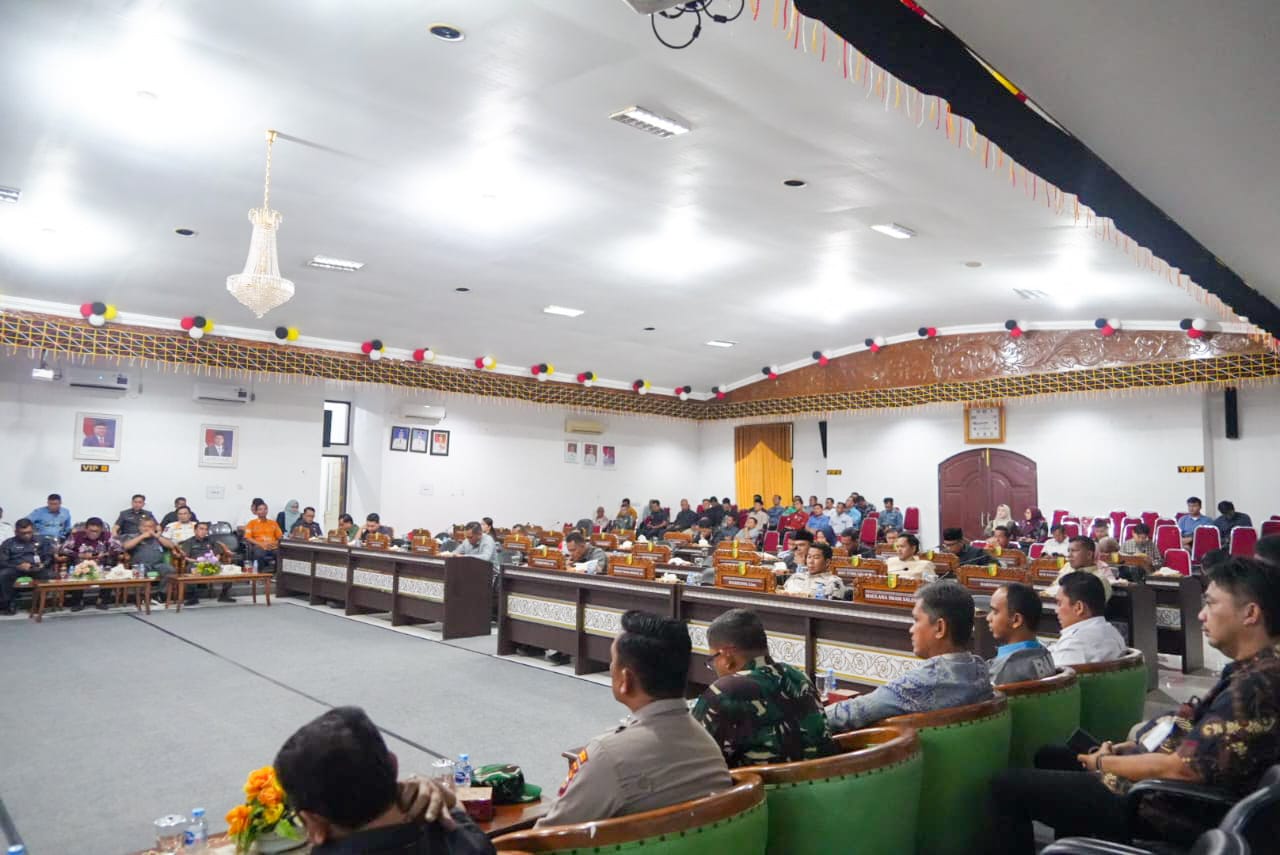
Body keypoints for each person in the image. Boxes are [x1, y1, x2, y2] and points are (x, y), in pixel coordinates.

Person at [986, 557, 1280, 853]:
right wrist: (1130, 747)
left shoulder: (1256, 687)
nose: (1201, 615)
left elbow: (1183, 770)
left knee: (1005, 785)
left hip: (1160, 803)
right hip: (1159, 779)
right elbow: (1193, 728)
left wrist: (1103, 763)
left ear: (1250, 613)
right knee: (1052, 755)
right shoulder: (1248, 669)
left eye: (1211, 604)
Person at [539, 611, 731, 826]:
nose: (611, 667)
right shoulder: (707, 745)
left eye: (613, 661)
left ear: (626, 679)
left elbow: (548, 835)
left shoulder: (608, 756)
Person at [275, 706, 495, 854]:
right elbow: (463, 826)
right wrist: (449, 801)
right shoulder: (466, 843)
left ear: (313, 822)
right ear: (394, 765)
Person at [826, 582, 993, 732]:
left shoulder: (918, 684)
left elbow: (849, 714)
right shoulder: (981, 670)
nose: (911, 629)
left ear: (940, 628)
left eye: (916, 620)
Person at [693, 608, 837, 766]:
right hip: (823, 779)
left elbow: (694, 759)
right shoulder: (798, 677)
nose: (713, 667)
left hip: (761, 782)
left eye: (713, 660)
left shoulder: (725, 691)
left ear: (727, 655)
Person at [1048, 572, 1126, 667]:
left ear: (1079, 607)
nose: (1056, 610)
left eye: (1059, 603)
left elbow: (1054, 675)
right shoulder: (1113, 633)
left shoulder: (1075, 644)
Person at [986, 583, 1055, 685]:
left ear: (1016, 620)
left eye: (995, 612)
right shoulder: (1045, 653)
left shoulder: (1004, 669)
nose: (988, 618)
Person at [58, 517, 123, 610]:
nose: (94, 533)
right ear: (85, 529)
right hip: (81, 563)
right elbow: (63, 549)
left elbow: (120, 548)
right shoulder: (76, 536)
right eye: (91, 531)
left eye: (97, 531)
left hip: (101, 563)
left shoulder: (107, 536)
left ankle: (102, 600)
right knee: (76, 569)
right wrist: (79, 555)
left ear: (101, 530)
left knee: (110, 567)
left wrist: (105, 554)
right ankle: (77, 601)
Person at [123, 517, 192, 605]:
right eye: (145, 526)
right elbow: (126, 546)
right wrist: (142, 536)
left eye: (150, 527)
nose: (147, 529)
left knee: (169, 570)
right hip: (141, 565)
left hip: (158, 564)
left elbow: (171, 545)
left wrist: (157, 536)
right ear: (140, 527)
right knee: (141, 571)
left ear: (155, 528)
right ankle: (142, 596)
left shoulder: (158, 537)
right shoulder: (133, 536)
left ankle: (161, 595)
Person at [0, 519, 56, 615]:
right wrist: (18, 566)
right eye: (23, 533)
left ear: (33, 530)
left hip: (36, 568)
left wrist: (44, 564)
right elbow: (2, 561)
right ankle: (9, 605)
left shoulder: (42, 540)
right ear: (16, 532)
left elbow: (49, 556)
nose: (27, 535)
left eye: (29, 532)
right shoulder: (8, 543)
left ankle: (39, 604)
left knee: (49, 575)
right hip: (15, 569)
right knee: (3, 575)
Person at [181, 520, 236, 603]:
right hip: (196, 563)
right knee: (191, 569)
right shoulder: (189, 542)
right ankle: (192, 597)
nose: (203, 531)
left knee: (227, 570)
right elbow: (185, 557)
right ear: (195, 530)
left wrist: (215, 560)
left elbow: (218, 553)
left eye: (205, 529)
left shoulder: (211, 540)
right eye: (201, 529)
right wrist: (197, 561)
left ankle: (224, 595)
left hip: (211, 563)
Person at [1050, 536, 1114, 601]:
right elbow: (1052, 588)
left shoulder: (1099, 580)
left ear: (1089, 554)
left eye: (1074, 551)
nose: (1069, 555)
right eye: (1068, 551)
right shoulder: (1068, 569)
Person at [782, 542, 848, 599]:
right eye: (809, 557)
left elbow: (833, 606)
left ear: (827, 562)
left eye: (816, 558)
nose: (811, 561)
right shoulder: (796, 576)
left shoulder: (833, 582)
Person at [243, 502, 283, 570]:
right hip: (259, 546)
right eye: (260, 509)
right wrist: (261, 544)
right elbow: (247, 537)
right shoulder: (252, 523)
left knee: (281, 553)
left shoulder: (273, 523)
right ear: (256, 512)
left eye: (265, 509)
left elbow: (280, 537)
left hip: (273, 546)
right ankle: (260, 573)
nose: (263, 511)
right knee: (259, 554)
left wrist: (274, 543)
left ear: (267, 511)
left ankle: (277, 574)